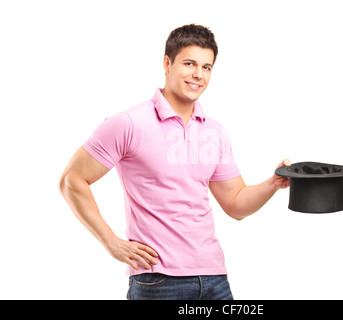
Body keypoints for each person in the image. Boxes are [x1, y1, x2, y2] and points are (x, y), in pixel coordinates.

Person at [59, 24, 290, 300]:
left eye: (207, 67)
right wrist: (111, 242)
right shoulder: (128, 123)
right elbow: (71, 180)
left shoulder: (214, 132)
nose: (198, 75)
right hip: (158, 280)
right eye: (190, 63)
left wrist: (273, 183)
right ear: (167, 63)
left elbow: (236, 204)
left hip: (214, 278)